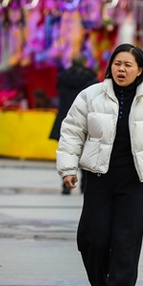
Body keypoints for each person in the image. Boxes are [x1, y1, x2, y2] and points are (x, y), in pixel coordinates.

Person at [56, 44, 143, 286]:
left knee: (126, 243)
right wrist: (68, 168)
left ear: (140, 70)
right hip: (98, 178)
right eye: (117, 64)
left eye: (128, 65)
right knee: (93, 239)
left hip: (133, 182)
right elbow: (72, 130)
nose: (121, 69)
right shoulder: (90, 95)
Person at [49, 54, 99, 194]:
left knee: (68, 150)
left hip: (65, 116)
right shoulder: (91, 78)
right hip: (84, 118)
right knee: (86, 152)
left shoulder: (63, 77)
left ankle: (66, 183)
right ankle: (84, 185)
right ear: (84, 63)